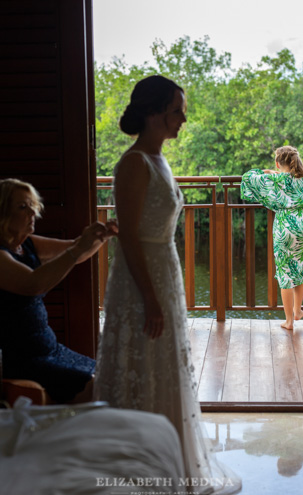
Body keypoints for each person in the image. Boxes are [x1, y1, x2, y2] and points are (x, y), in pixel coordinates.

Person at [94, 75, 241, 494]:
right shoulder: (133, 163)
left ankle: (168, 460)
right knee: (141, 358)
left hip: (166, 271)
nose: (183, 118)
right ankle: (133, 467)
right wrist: (151, 301)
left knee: (165, 365)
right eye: (178, 110)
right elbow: (131, 239)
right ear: (154, 113)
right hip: (142, 282)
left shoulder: (160, 160)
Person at [0, 178, 118, 403]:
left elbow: (75, 250)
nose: (32, 213)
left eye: (32, 206)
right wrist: (78, 248)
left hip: (49, 348)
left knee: (109, 374)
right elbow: (33, 284)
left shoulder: (26, 244)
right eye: (22, 207)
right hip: (24, 359)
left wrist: (101, 237)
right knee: (95, 385)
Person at [241, 145, 303, 329]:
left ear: (277, 163)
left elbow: (249, 177)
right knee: (302, 266)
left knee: (285, 273)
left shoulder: (276, 179)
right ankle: (298, 311)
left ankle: (289, 320)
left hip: (284, 227)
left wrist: (267, 171)